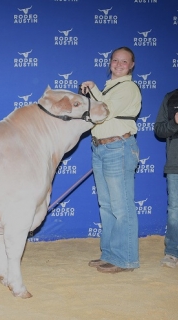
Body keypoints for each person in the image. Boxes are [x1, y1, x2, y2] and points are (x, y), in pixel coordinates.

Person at [80, 46, 142, 273]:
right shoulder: (110, 87)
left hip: (118, 147)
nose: (118, 64)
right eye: (115, 60)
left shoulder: (128, 87)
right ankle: (110, 253)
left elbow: (104, 110)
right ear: (110, 63)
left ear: (131, 65)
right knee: (106, 205)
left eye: (124, 61)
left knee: (121, 206)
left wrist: (93, 89)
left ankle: (125, 259)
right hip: (101, 148)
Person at [154, 89, 178, 268]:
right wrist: (174, 122)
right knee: (175, 211)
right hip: (175, 163)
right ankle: (172, 253)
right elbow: (159, 130)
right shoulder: (170, 97)